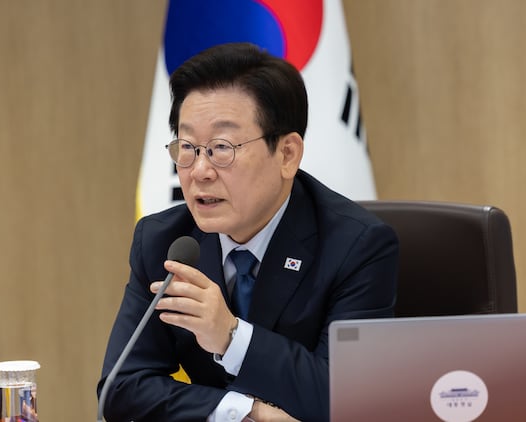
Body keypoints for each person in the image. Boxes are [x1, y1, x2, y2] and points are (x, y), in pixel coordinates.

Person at [98, 42, 398, 421]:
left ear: (287, 154)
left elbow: (347, 399)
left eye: (222, 148)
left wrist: (231, 336)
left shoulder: (357, 246)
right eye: (188, 147)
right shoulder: (165, 241)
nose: (200, 171)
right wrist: (244, 412)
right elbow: (122, 388)